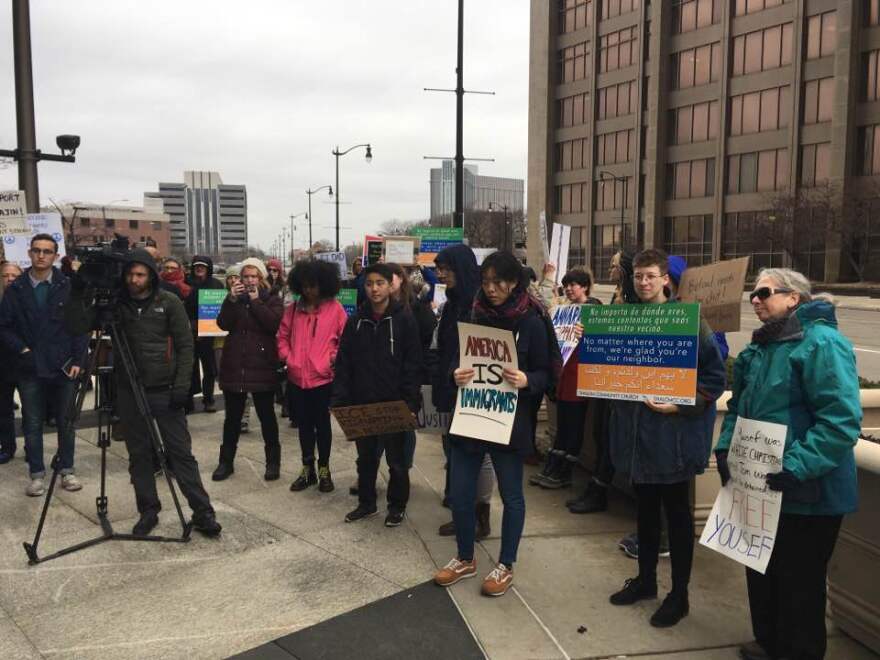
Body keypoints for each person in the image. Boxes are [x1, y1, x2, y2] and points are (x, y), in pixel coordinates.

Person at [715, 268, 861, 660]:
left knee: (800, 588)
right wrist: (726, 449)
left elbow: (840, 422)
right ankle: (770, 643)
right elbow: (738, 409)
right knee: (762, 573)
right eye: (753, 295)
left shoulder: (823, 345)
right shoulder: (760, 349)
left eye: (763, 292)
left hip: (808, 494)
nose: (756, 300)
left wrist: (795, 466)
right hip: (760, 488)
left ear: (793, 297)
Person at [607, 248, 726, 627]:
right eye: (638, 276)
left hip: (672, 440)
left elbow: (714, 379)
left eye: (650, 276)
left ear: (665, 280)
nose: (643, 282)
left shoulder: (690, 322)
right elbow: (607, 372)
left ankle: (680, 594)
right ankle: (645, 581)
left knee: (676, 519)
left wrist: (678, 405)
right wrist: (591, 340)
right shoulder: (621, 320)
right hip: (636, 438)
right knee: (644, 514)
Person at [64, 249, 221, 537]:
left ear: (151, 275)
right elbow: (77, 326)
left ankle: (202, 512)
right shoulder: (117, 305)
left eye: (140, 274)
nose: (134, 280)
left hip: (165, 389)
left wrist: (183, 387)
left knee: (180, 454)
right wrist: (77, 292)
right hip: (129, 390)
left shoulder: (169, 302)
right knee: (139, 455)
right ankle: (148, 510)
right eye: (130, 274)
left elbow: (186, 347)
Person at [434, 251, 553, 598]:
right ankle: (465, 556)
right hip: (471, 414)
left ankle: (506, 563)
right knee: (459, 491)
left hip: (510, 420)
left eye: (497, 282)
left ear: (514, 282)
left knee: (512, 494)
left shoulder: (531, 320)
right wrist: (455, 373)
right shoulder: (474, 312)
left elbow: (546, 374)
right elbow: (455, 359)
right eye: (485, 282)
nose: (490, 289)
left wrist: (527, 378)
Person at [332, 263, 423, 526]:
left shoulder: (404, 319)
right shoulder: (356, 320)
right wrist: (340, 399)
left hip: (394, 404)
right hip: (363, 402)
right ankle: (367, 503)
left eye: (379, 283)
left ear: (390, 285)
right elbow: (344, 362)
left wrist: (410, 402)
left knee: (397, 462)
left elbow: (413, 364)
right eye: (369, 283)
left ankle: (396, 506)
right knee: (366, 460)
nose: (374, 288)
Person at [0, 235, 88, 496]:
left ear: (55, 255)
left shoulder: (68, 286)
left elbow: (80, 327)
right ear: (29, 253)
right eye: (37, 250)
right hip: (30, 367)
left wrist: (79, 360)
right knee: (32, 422)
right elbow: (4, 326)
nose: (41, 256)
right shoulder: (16, 289)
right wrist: (22, 349)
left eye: (47, 251)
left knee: (66, 422)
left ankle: (67, 471)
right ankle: (36, 474)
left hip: (63, 366)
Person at [432, 244, 495, 540]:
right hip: (450, 385)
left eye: (445, 268)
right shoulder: (452, 303)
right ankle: (463, 513)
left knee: (478, 456)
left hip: (474, 390)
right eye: (439, 269)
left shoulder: (479, 304)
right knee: (455, 454)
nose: (441, 275)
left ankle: (480, 516)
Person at [531, 269, 607, 502]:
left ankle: (563, 473)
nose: (570, 289)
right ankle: (553, 468)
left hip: (580, 378)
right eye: (567, 286)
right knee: (563, 427)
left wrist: (587, 333)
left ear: (585, 287)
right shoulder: (563, 311)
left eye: (574, 285)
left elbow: (602, 343)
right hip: (564, 376)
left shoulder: (594, 312)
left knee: (573, 428)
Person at [211, 258, 283, 481]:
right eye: (246, 276)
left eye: (254, 276)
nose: (250, 280)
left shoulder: (272, 299)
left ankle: (273, 462)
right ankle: (226, 462)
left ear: (261, 279)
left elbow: (273, 325)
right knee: (232, 419)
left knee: (267, 417)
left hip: (262, 365)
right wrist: (231, 299)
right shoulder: (234, 299)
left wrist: (255, 302)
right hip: (236, 366)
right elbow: (223, 323)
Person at [278, 259, 347, 492]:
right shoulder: (293, 310)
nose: (309, 290)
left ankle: (324, 468)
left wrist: (332, 358)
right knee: (304, 426)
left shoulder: (335, 309)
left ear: (324, 285)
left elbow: (345, 338)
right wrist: (289, 358)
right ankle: (307, 468)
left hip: (323, 378)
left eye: (314, 285)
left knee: (322, 425)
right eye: (305, 285)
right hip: (298, 378)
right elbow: (282, 337)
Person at [185, 256, 224, 413]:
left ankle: (208, 399)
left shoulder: (216, 284)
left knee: (209, 369)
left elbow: (222, 308)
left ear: (208, 268)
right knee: (188, 368)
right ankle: (188, 401)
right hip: (189, 333)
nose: (199, 269)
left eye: (202, 266)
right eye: (196, 266)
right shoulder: (186, 285)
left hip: (209, 334)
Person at [0, 261, 24, 464]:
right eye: (5, 275)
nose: (9, 279)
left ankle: (32, 448)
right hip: (2, 365)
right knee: (3, 409)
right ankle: (7, 446)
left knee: (33, 411)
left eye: (14, 276)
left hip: (24, 362)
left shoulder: (27, 301)